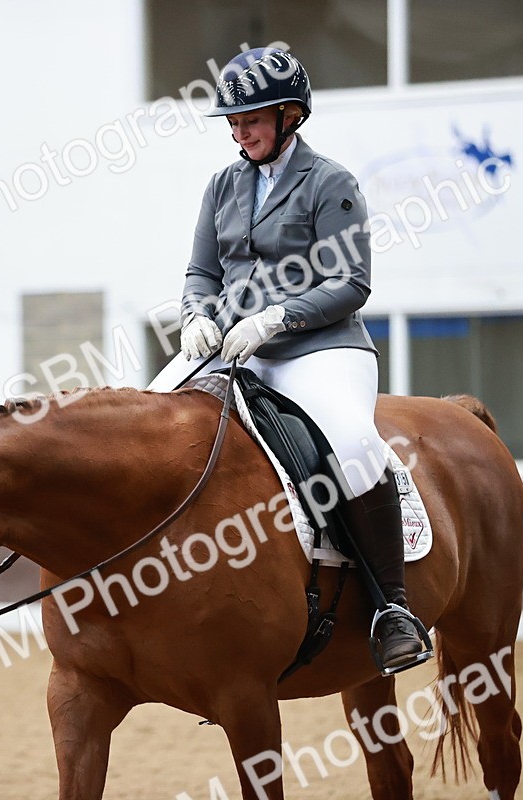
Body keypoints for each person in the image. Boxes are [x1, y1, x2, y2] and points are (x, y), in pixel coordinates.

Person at [148, 47, 430, 674]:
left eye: (251, 119)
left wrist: (277, 318)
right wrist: (197, 315)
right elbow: (202, 271)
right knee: (148, 421)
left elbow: (352, 283)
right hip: (230, 348)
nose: (239, 131)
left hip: (318, 349)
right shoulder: (222, 184)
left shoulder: (330, 183)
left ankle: (393, 609)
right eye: (233, 121)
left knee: (355, 445)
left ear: (289, 115)